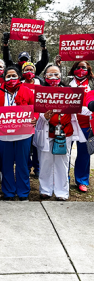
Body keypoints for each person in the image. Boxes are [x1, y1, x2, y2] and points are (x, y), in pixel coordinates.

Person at [34, 65, 90, 201]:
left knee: (63, 163)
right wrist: (44, 116)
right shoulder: (40, 93)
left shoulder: (70, 92)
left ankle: (61, 192)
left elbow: (80, 109)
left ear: (61, 76)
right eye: (50, 75)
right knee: (45, 162)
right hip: (47, 132)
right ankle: (45, 190)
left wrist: (90, 108)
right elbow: (36, 112)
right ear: (45, 77)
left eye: (56, 74)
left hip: (65, 133)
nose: (53, 77)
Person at [0, 66, 37, 201]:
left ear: (19, 77)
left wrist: (35, 119)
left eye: (14, 76)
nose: (11, 79)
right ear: (4, 78)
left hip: (24, 134)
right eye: (8, 76)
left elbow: (35, 108)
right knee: (6, 164)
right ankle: (9, 192)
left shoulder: (27, 91)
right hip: (4, 135)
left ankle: (23, 193)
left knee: (22, 164)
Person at [67, 61, 94, 192]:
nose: (81, 69)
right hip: (69, 123)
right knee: (65, 153)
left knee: (84, 154)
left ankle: (82, 180)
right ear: (74, 69)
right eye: (78, 67)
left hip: (86, 125)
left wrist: (81, 109)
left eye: (83, 67)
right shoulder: (66, 83)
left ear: (88, 70)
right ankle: (64, 178)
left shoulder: (92, 84)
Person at [20, 62, 43, 179]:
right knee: (26, 146)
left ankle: (37, 168)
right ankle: (27, 167)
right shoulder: (20, 85)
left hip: (38, 119)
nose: (29, 72)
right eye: (26, 70)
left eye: (31, 70)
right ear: (22, 72)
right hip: (25, 119)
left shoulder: (40, 84)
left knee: (37, 145)